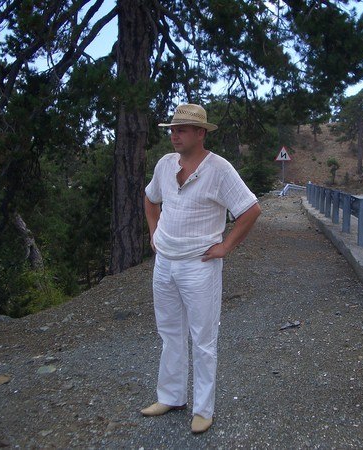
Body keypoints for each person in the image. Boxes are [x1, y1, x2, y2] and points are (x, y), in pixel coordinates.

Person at [141, 103, 261, 434]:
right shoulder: (165, 164)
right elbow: (150, 198)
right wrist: (154, 232)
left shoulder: (219, 169)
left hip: (199, 264)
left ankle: (203, 409)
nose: (174, 135)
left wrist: (225, 246)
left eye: (181, 129)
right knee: (169, 333)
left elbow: (250, 209)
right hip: (165, 262)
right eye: (172, 129)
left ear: (200, 133)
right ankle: (171, 397)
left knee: (203, 339)